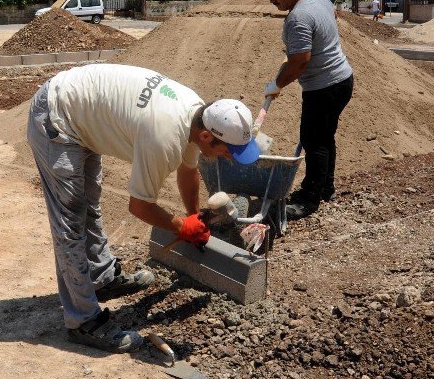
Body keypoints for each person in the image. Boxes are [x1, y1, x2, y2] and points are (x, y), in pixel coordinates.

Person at [27, 63, 260, 353]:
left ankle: (101, 278)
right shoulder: (164, 136)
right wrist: (181, 227)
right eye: (228, 149)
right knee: (70, 223)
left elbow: (188, 172)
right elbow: (139, 206)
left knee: (89, 206)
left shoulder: (196, 114)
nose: (228, 157)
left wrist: (193, 217)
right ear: (206, 136)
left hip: (81, 111)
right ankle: (83, 321)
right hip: (58, 117)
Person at [261, 0, 354, 220]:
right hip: (343, 79)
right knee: (325, 137)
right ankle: (326, 189)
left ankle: (308, 199)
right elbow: (332, 16)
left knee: (314, 141)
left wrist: (278, 83)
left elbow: (300, 61)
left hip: (324, 87)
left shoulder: (298, 18)